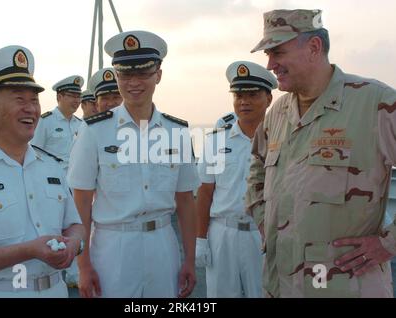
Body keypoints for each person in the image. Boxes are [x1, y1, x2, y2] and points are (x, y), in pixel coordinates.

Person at [246, 9, 396, 297]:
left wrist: (387, 244)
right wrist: (266, 220)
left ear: (314, 47)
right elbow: (257, 167)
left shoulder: (375, 103)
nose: (270, 64)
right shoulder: (278, 112)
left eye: (277, 52)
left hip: (345, 286)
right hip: (282, 285)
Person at [67, 30, 199, 298]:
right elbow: (81, 202)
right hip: (113, 248)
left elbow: (185, 201)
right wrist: (83, 265)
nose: (134, 82)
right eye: (126, 75)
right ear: (117, 77)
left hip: (163, 245)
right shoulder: (94, 131)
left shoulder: (177, 132)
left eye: (143, 73)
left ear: (158, 75)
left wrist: (189, 259)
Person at [0, 45, 85, 298]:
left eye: (34, 100)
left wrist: (74, 244)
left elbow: (74, 224)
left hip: (56, 290)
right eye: (19, 99)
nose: (31, 109)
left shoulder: (51, 166)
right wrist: (28, 251)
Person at [196, 61, 276, 297]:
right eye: (239, 95)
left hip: (264, 235)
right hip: (223, 233)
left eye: (252, 95)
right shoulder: (216, 141)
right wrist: (201, 239)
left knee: (264, 293)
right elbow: (205, 193)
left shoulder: (282, 139)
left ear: (269, 99)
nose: (244, 102)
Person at [30, 75, 84, 171]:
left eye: (79, 96)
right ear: (59, 97)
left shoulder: (81, 124)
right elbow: (35, 153)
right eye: (72, 96)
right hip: (52, 179)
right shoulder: (45, 121)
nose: (77, 101)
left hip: (75, 180)